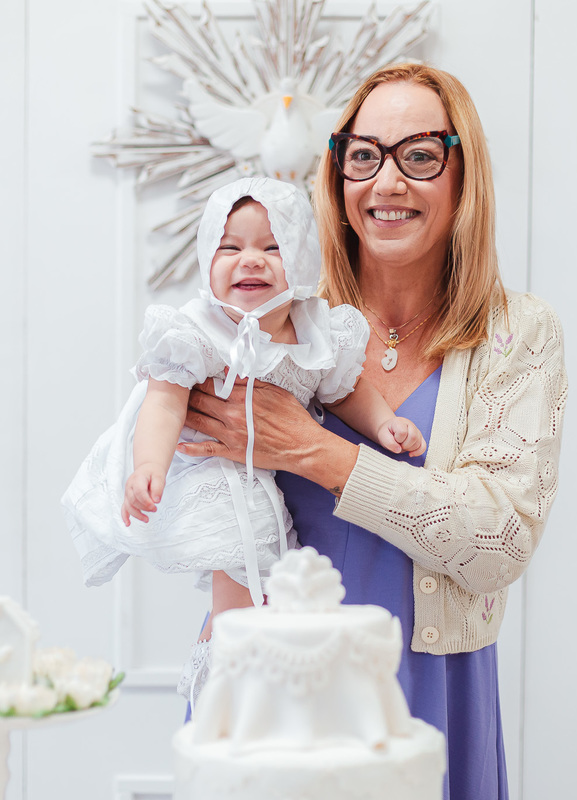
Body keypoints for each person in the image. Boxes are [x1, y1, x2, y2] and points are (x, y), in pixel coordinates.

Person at [175, 64, 568, 800]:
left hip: (429, 689)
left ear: (463, 173)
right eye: (363, 155)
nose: (387, 182)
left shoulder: (518, 334)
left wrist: (320, 454)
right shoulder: (277, 327)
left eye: (420, 155)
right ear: (337, 175)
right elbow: (194, 453)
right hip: (270, 690)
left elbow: (500, 539)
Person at [61, 177, 426, 689]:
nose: (250, 260)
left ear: (301, 260)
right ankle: (234, 666)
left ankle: (255, 653)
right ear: (207, 259)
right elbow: (165, 403)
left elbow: (344, 391)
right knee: (243, 547)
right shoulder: (196, 332)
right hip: (201, 464)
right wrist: (149, 466)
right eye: (229, 247)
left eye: (272, 248)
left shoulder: (316, 331)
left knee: (274, 567)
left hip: (259, 475)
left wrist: (385, 422)